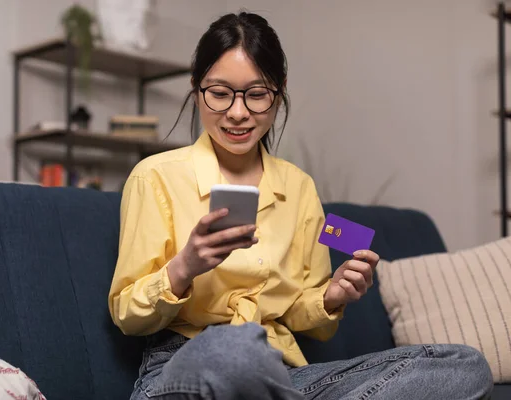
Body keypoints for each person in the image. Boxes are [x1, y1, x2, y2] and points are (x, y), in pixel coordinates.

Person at [108, 11, 493, 400]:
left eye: (257, 94)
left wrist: (332, 296)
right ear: (196, 89)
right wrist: (183, 268)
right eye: (220, 93)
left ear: (280, 91)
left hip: (284, 376)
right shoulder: (155, 176)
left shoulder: (299, 188)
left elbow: (307, 321)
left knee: (464, 365)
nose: (238, 113)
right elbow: (127, 314)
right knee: (233, 349)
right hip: (187, 365)